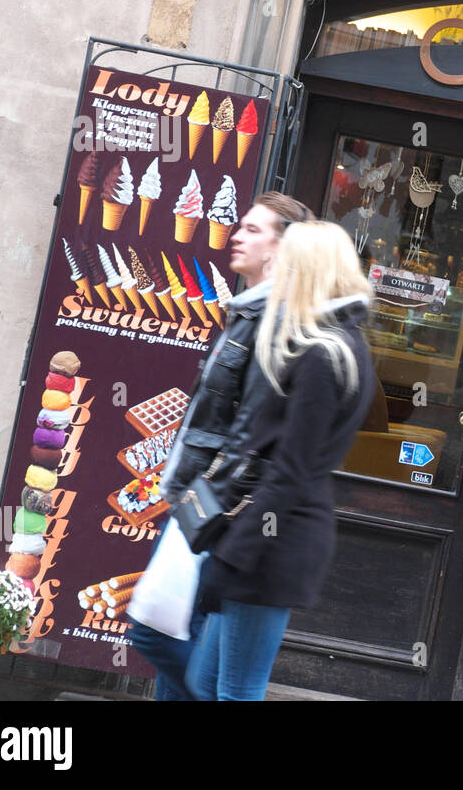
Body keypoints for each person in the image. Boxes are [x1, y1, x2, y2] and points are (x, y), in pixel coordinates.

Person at [128, 191, 314, 701]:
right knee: (172, 639)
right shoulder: (250, 313)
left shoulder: (275, 322)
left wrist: (214, 506)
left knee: (161, 639)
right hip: (196, 498)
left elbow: (252, 432)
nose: (237, 235)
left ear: (281, 250)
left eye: (254, 230)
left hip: (213, 507)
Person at [184, 220, 376, 701]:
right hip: (264, 533)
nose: (277, 270)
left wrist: (238, 552)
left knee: (235, 691)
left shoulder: (323, 355)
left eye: (286, 262)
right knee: (205, 683)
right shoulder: (330, 343)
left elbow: (291, 470)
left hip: (273, 541)